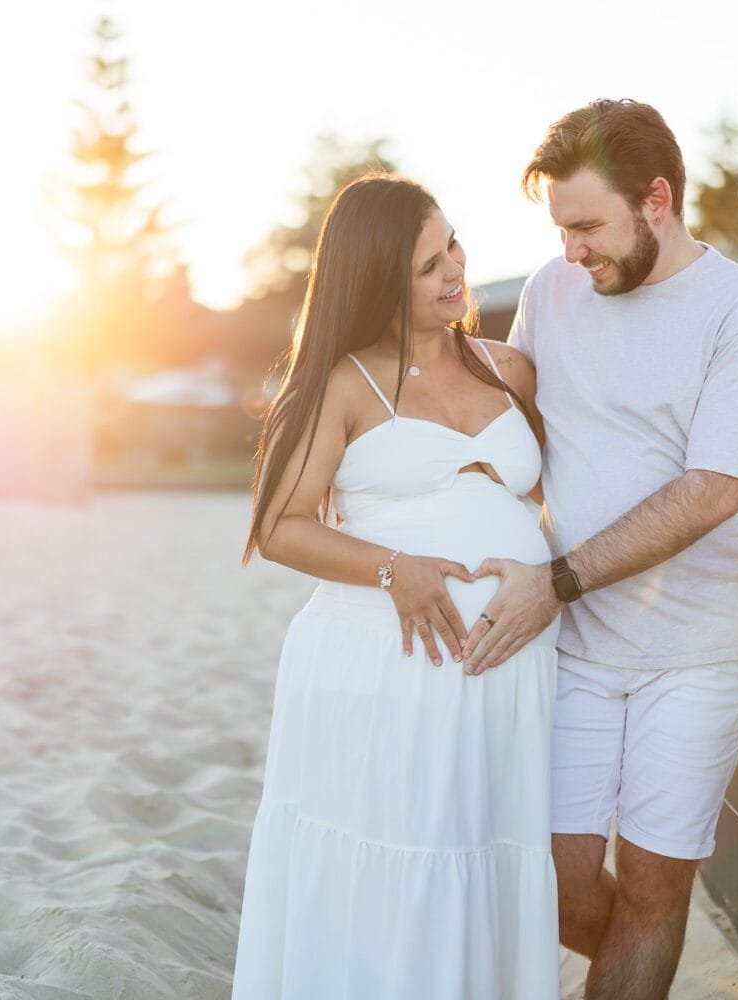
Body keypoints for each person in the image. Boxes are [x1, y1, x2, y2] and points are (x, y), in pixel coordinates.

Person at [460, 99, 738, 999]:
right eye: (560, 228)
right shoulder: (552, 288)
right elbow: (517, 414)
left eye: (585, 226)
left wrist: (556, 580)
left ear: (657, 199)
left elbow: (711, 491)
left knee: (655, 886)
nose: (571, 250)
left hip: (698, 650)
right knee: (553, 875)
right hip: (572, 643)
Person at [231, 174, 561, 999]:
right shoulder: (343, 382)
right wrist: (393, 568)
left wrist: (547, 573)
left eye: (453, 244)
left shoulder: (510, 368)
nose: (455, 270)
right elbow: (281, 527)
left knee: (482, 856)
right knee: (385, 871)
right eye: (427, 265)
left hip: (504, 669)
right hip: (385, 664)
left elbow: (552, 502)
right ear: (378, 280)